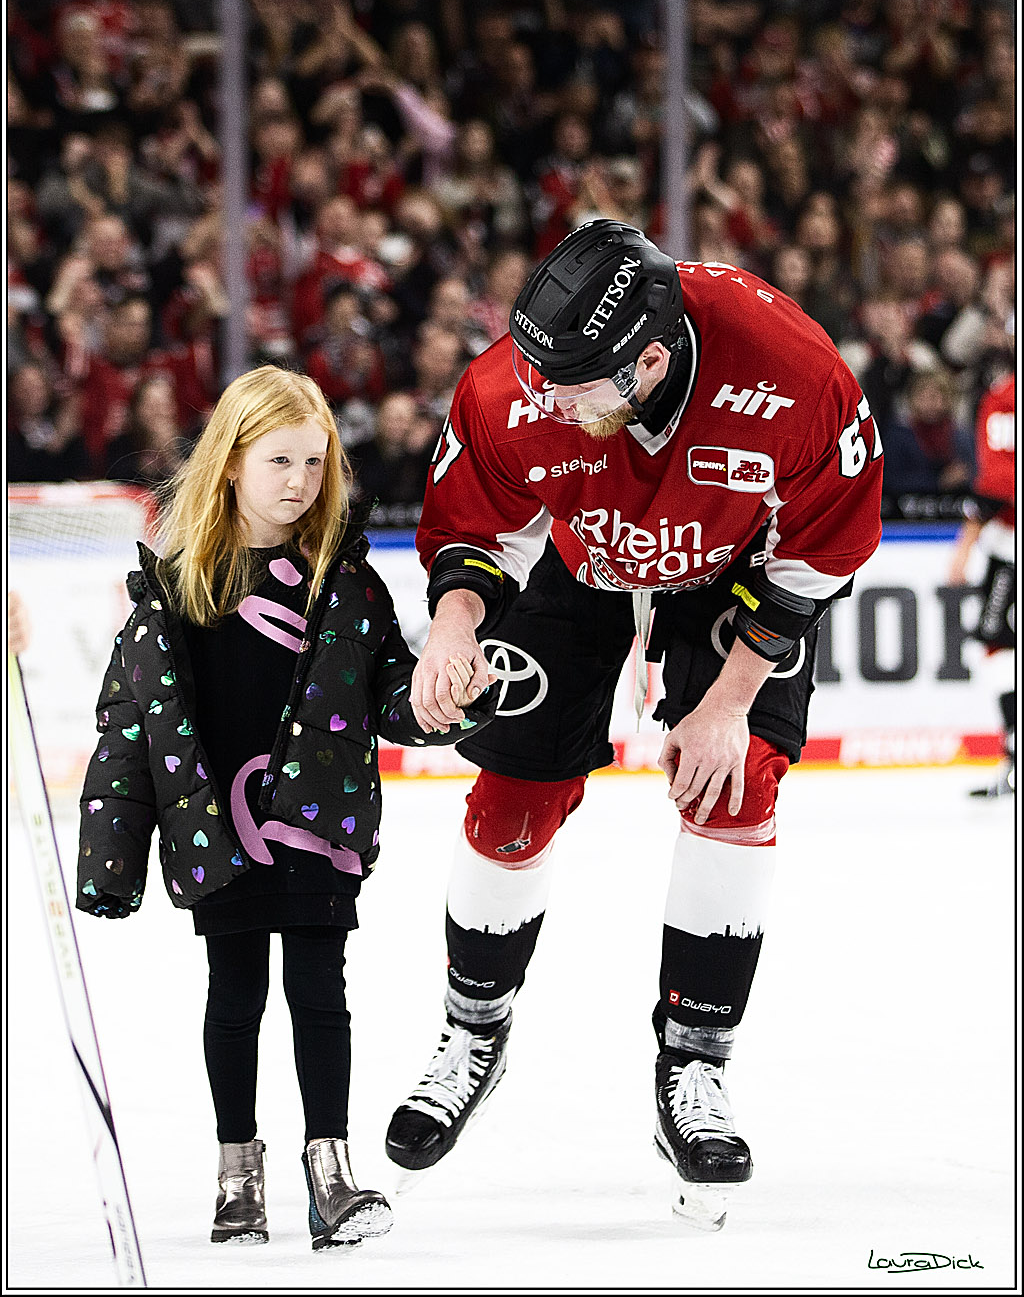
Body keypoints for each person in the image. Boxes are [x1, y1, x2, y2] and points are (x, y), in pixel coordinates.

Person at [384, 219, 883, 1229]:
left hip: (738, 569)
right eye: (538, 376)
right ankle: (473, 1030)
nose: (545, 400)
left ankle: (693, 1064)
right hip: (581, 553)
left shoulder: (792, 375)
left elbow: (825, 546)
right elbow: (480, 522)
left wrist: (728, 702)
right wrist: (450, 629)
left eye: (571, 389)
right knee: (511, 799)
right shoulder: (511, 385)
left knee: (734, 787)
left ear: (648, 358)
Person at [75, 366, 495, 1250]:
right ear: (230, 462)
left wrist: (441, 701)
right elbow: (128, 732)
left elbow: (389, 696)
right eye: (280, 460)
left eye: (314, 460)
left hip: (316, 819)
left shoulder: (346, 583)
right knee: (235, 994)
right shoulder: (179, 588)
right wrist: (111, 861)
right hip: (218, 827)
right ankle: (238, 1172)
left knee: (318, 990)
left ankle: (329, 1171)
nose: (301, 480)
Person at [948, 368, 1015, 798]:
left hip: (1009, 545)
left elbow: (997, 480)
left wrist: (965, 545)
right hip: (1006, 544)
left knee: (997, 646)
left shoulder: (1003, 396)